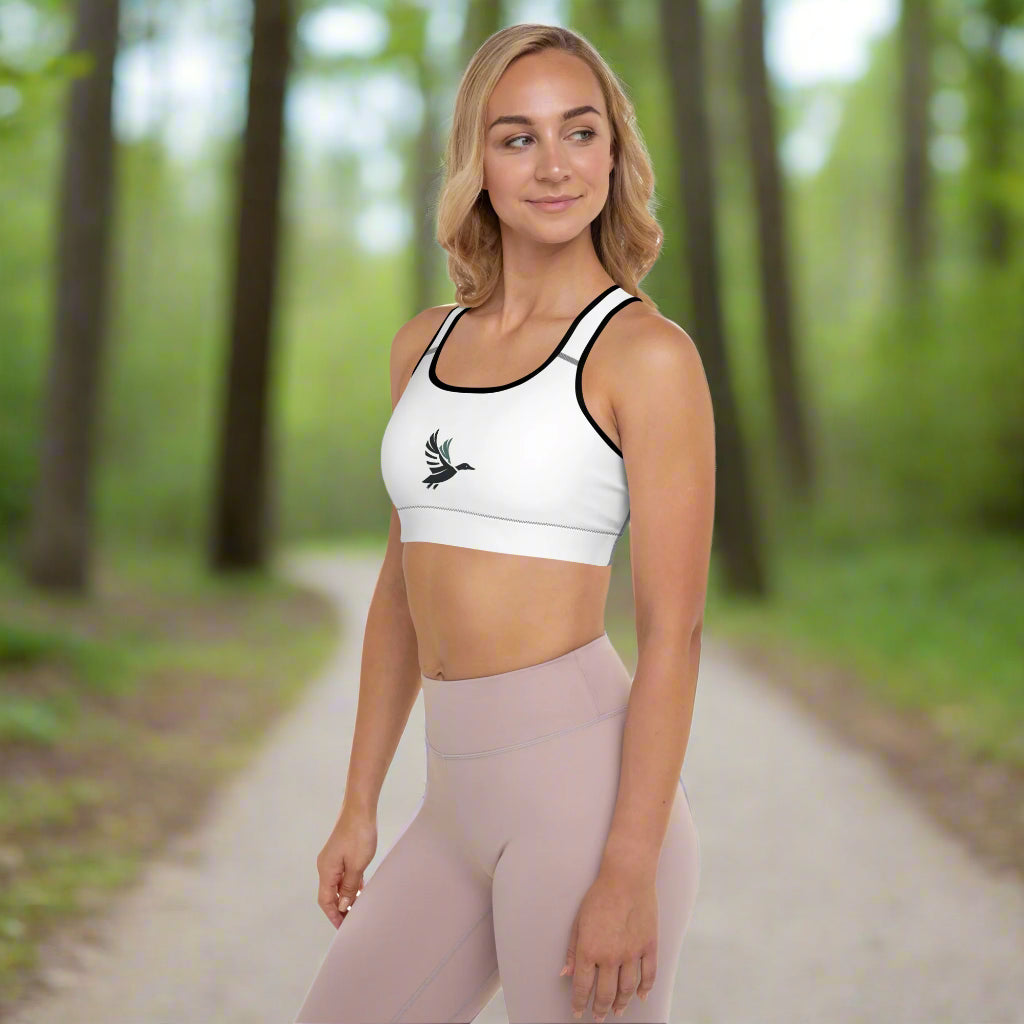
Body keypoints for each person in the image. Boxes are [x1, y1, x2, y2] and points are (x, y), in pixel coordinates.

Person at [292, 21, 715, 1024]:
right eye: (517, 136)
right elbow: (401, 590)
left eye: (578, 131)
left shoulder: (642, 356)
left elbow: (674, 634)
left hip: (582, 803)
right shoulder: (421, 347)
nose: (553, 164)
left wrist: (627, 866)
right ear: (476, 162)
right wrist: (360, 799)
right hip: (452, 802)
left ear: (615, 152)